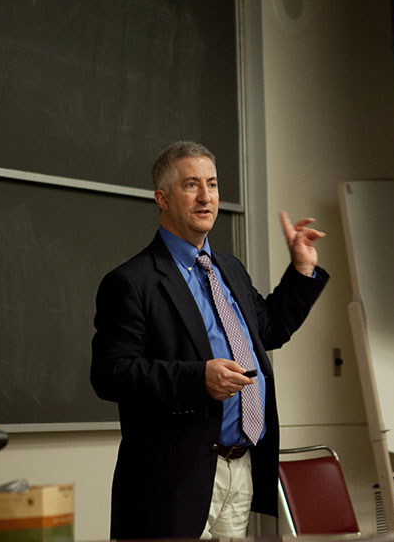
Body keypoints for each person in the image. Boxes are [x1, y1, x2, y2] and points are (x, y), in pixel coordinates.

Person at [91, 140, 328, 540]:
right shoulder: (132, 282)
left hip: (243, 468)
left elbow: (267, 330)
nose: (206, 197)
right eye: (191, 186)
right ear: (162, 198)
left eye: (213, 185)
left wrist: (301, 271)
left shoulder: (228, 269)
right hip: (174, 478)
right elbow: (111, 374)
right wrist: (197, 379)